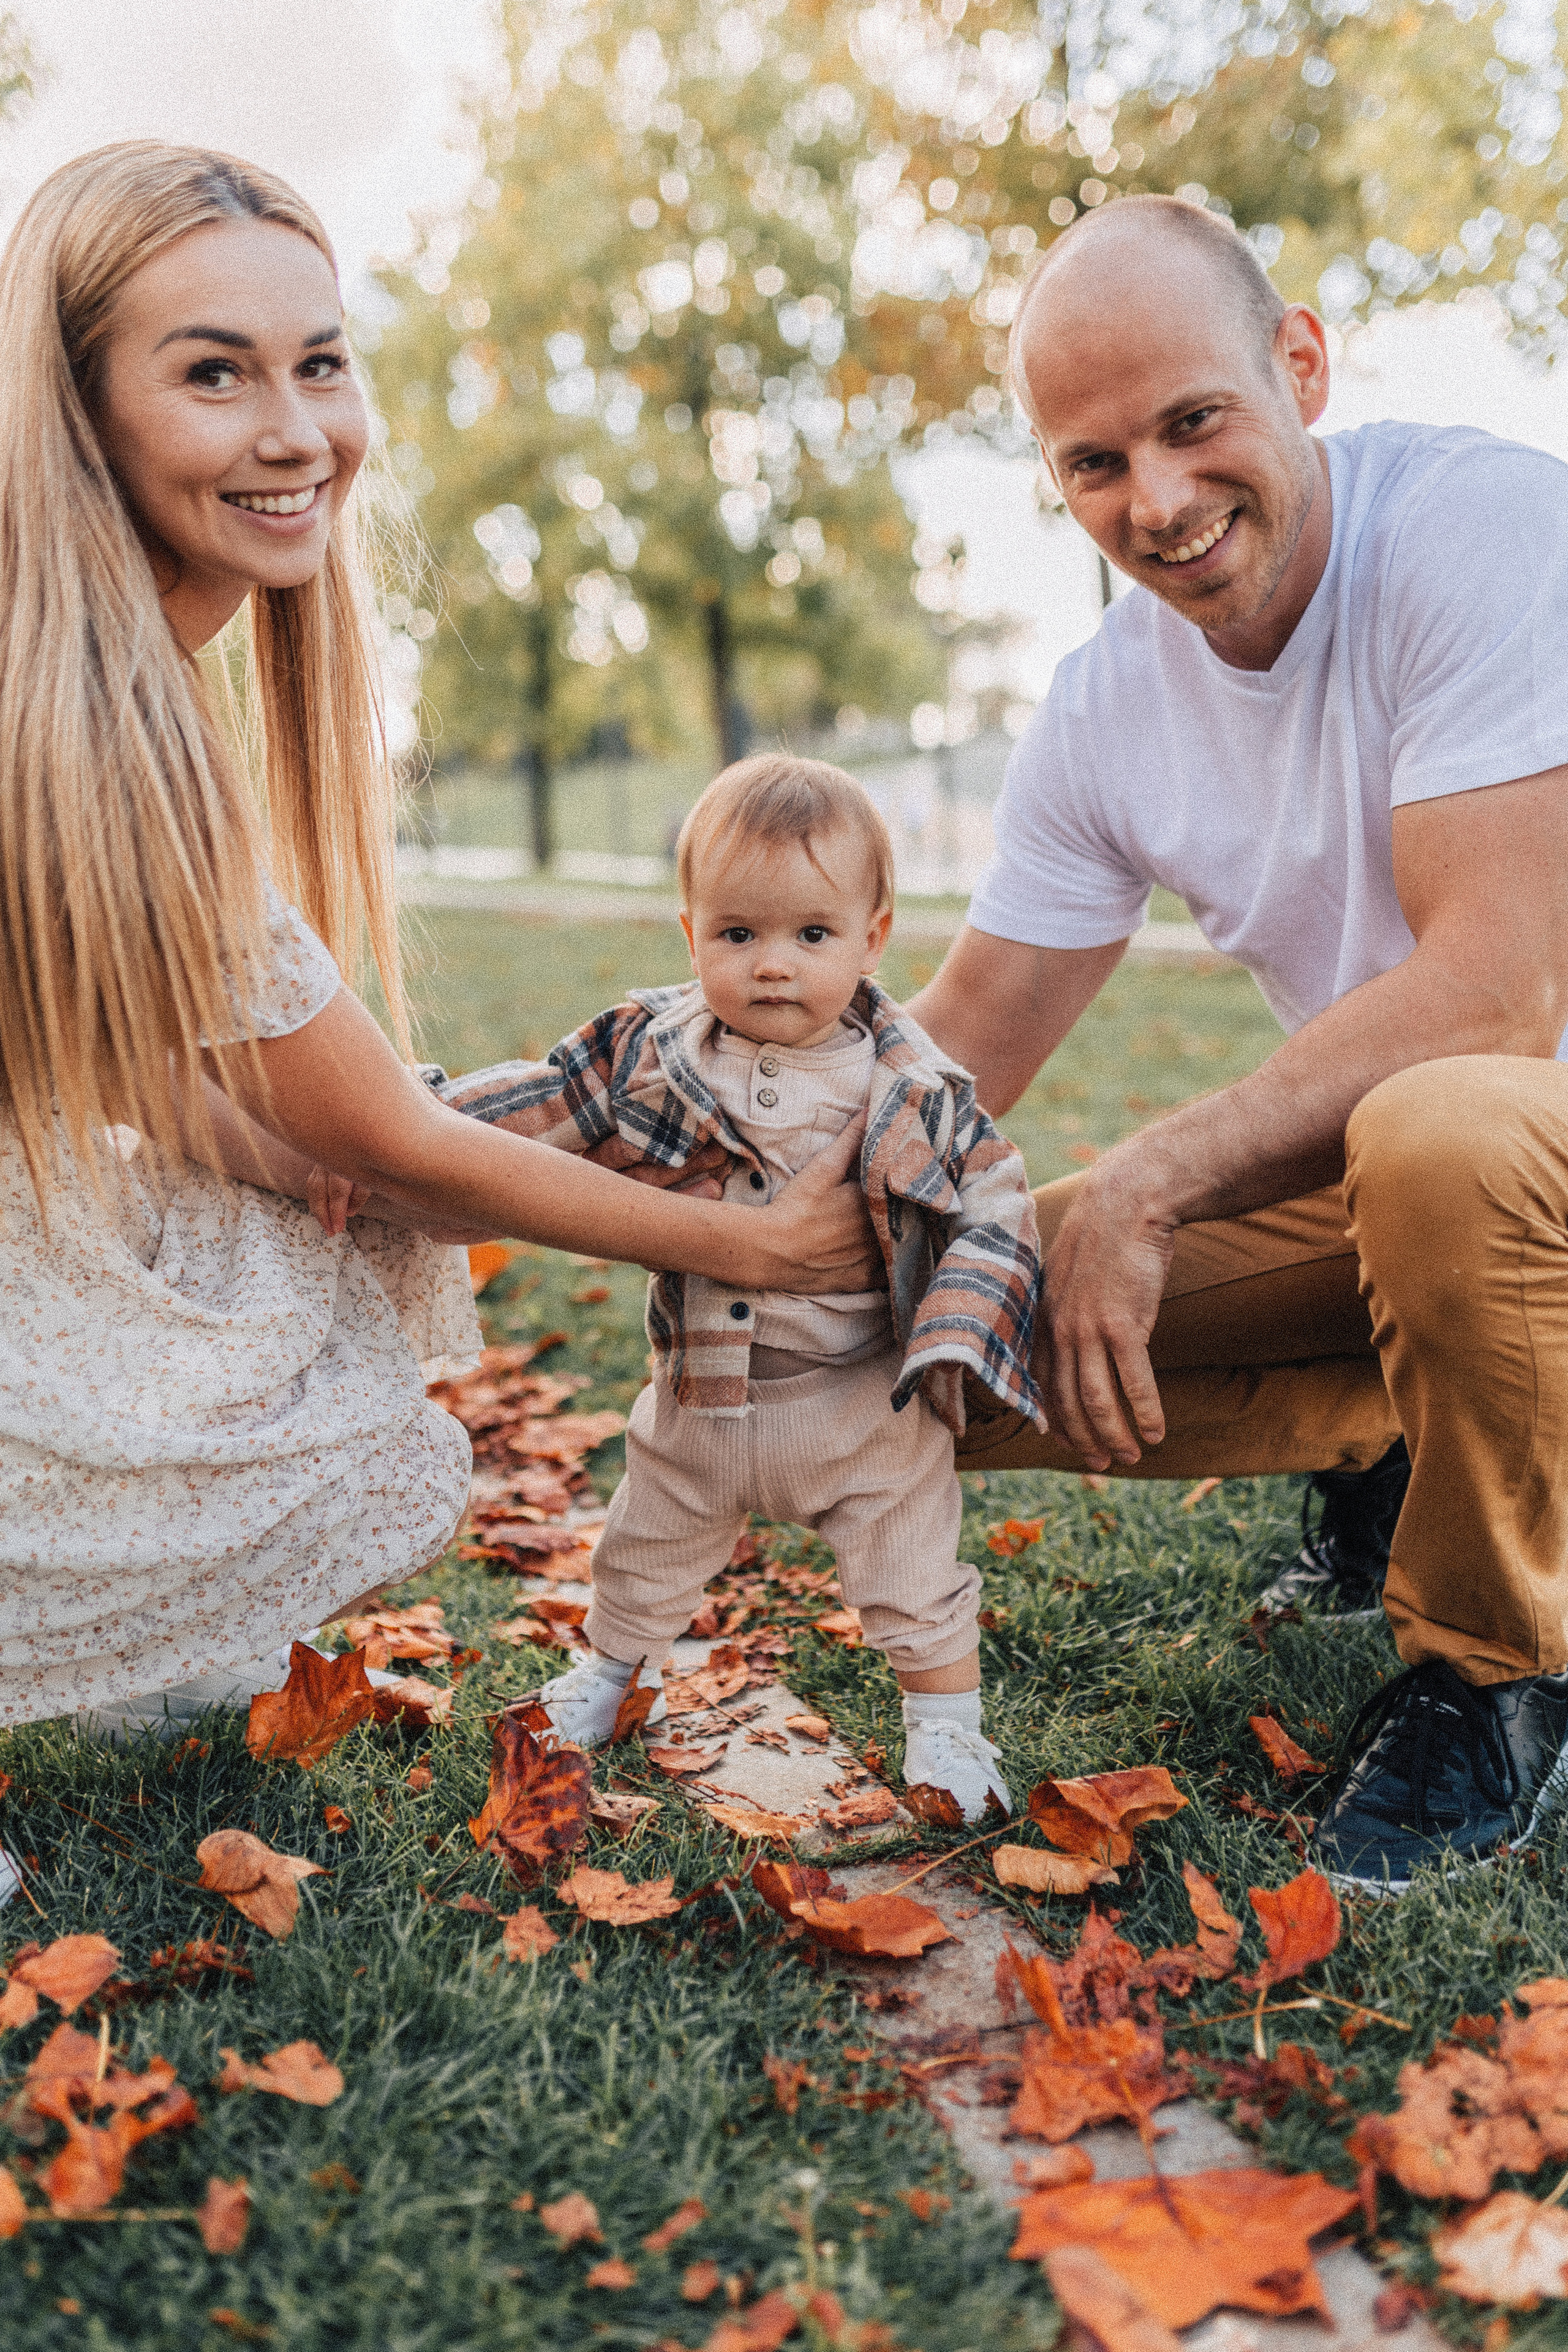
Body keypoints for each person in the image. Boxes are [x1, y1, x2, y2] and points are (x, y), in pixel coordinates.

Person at [0, 143, 878, 1766]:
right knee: (336, 1329)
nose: (296, 431)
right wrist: (763, 1250)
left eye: (319, 363)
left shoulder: (75, 677)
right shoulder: (92, 728)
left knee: (299, 1214)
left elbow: (125, 1070)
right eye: (213, 374)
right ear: (78, 410)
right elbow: (392, 1144)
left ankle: (111, 1595)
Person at [905, 192, 1568, 1895]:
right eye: (1094, 463)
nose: (1161, 502)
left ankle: (1502, 1673)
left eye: (1194, 423)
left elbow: (1499, 991)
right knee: (898, 1330)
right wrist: (570, 1154)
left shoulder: (1485, 529)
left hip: (1513, 1160)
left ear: (1300, 364)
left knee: (1441, 1138)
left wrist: (1160, 1173)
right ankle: (1411, 1431)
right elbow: (955, 1048)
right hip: (1405, 1214)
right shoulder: (1106, 704)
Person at [427, 756, 1046, 1822]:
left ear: (873, 938)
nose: (773, 966)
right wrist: (418, 1120)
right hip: (700, 1398)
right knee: (642, 1547)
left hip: (861, 1403)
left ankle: (945, 1730)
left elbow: (1000, 1204)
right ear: (690, 935)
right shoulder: (653, 1054)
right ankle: (613, 1675)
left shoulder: (914, 1091)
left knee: (914, 1577)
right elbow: (537, 1103)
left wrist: (960, 1332)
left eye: (812, 935)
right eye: (738, 935)